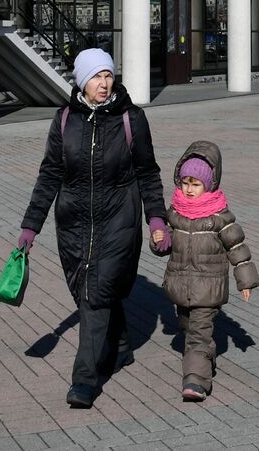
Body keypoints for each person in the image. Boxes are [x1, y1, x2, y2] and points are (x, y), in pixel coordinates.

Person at [18, 48, 167, 409]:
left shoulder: (131, 118)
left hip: (119, 216)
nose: (104, 83)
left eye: (108, 75)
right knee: (84, 286)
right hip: (72, 221)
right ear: (81, 81)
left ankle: (85, 379)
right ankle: (119, 346)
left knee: (95, 293)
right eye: (96, 76)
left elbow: (147, 171)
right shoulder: (65, 119)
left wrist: (157, 219)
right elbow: (50, 173)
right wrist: (30, 226)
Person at [152, 141, 259, 402]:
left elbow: (237, 248)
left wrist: (245, 281)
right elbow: (164, 248)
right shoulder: (174, 213)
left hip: (208, 290)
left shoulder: (220, 217)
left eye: (196, 184)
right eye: (186, 182)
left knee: (198, 335)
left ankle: (196, 381)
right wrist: (158, 240)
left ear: (209, 184)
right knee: (189, 329)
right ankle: (205, 355)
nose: (189, 190)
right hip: (180, 287)